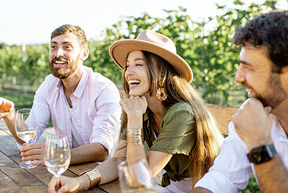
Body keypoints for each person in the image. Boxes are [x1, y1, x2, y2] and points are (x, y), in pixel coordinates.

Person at [48, 30, 224, 193]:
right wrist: (81, 181)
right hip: (170, 186)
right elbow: (119, 160)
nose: (128, 73)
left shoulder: (181, 113)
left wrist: (134, 119)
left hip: (204, 187)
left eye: (138, 64)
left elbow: (140, 176)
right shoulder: (140, 105)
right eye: (127, 65)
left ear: (160, 70)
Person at [0, 24, 121, 166]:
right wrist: (9, 114)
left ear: (84, 53)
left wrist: (58, 154)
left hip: (102, 174)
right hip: (65, 170)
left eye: (67, 47)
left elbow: (102, 149)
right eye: (53, 47)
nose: (57, 53)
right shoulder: (48, 85)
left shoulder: (104, 89)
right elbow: (28, 137)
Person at [191, 11, 288, 193]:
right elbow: (223, 177)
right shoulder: (254, 110)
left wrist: (259, 142)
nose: (238, 77)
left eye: (248, 67)